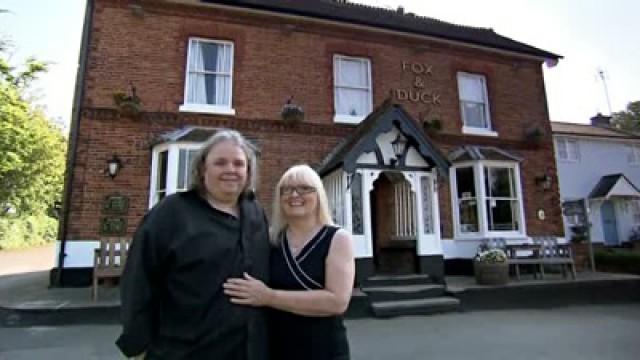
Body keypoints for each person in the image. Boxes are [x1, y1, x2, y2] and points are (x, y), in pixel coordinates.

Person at [116, 129, 270, 360]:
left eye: (239, 164)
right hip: (185, 350)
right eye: (220, 162)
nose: (231, 170)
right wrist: (137, 344)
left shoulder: (256, 213)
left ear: (248, 172)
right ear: (202, 169)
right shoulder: (171, 213)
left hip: (248, 350)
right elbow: (138, 279)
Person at [224, 164, 355, 360]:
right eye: (286, 190)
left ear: (318, 194)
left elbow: (336, 302)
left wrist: (269, 297)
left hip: (324, 349)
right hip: (277, 347)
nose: (294, 195)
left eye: (304, 188)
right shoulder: (270, 240)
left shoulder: (337, 238)